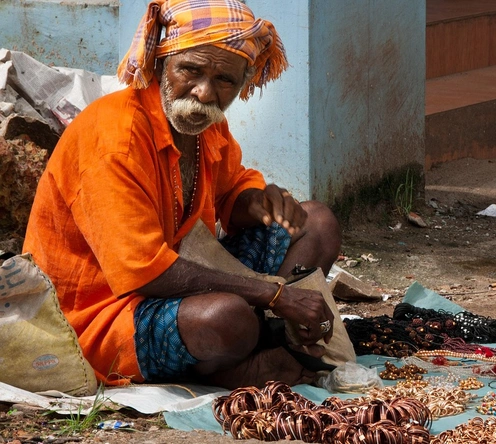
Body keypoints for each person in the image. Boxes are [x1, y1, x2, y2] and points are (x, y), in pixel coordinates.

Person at [22, 0, 341, 389]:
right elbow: (143, 273)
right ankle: (234, 359)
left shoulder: (202, 124)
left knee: (317, 224)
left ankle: (259, 340)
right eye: (189, 70)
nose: (205, 93)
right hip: (100, 317)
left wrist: (255, 201)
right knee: (226, 318)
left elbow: (230, 192)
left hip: (182, 276)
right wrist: (274, 296)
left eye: (225, 80)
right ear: (160, 63)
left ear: (244, 83)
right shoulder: (114, 139)